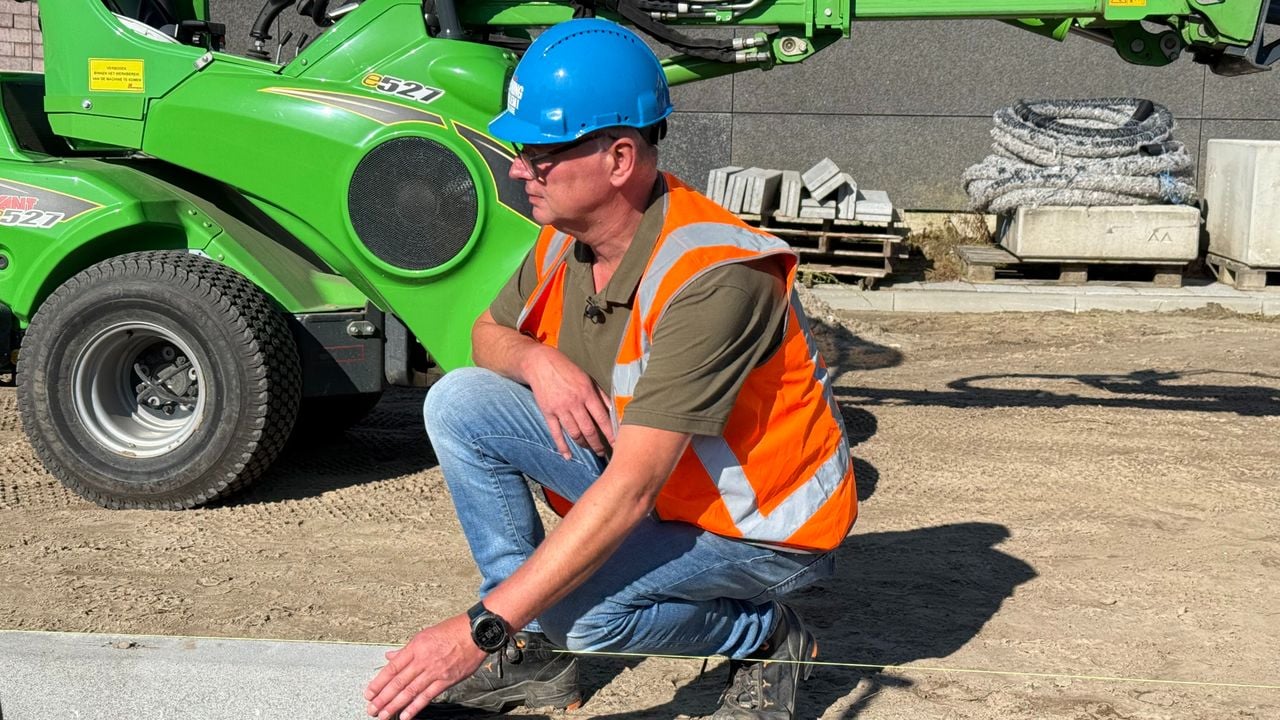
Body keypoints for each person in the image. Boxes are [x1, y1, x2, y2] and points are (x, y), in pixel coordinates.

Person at [364, 17, 857, 720]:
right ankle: (531, 652)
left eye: (538, 154)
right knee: (459, 401)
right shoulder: (569, 243)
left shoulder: (713, 276)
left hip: (757, 528)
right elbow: (485, 337)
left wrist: (479, 629)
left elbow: (629, 489)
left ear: (620, 159)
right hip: (667, 491)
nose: (516, 169)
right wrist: (539, 362)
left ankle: (766, 633)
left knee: (581, 620)